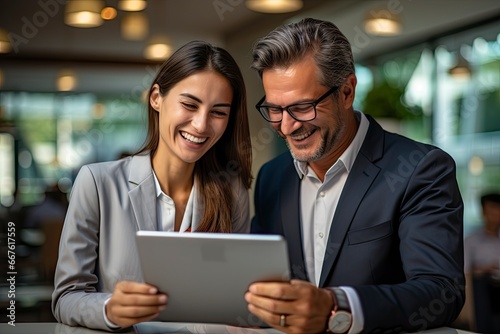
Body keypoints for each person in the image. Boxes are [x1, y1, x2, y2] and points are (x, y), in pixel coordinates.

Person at [245, 18, 464, 334]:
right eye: (275, 110)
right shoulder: (271, 178)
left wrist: (336, 305)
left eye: (303, 107)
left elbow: (442, 292)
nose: (287, 126)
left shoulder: (422, 168)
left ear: (346, 92)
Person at [52, 40, 252, 331]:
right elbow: (65, 298)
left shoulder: (233, 192)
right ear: (156, 98)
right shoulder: (96, 183)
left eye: (218, 112)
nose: (200, 125)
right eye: (189, 104)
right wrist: (111, 309)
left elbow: (233, 299)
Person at [464, 192, 500, 334]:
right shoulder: (471, 241)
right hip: (483, 288)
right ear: (483, 211)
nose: (494, 214)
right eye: (491, 209)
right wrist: (484, 269)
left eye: (497, 209)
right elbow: (465, 272)